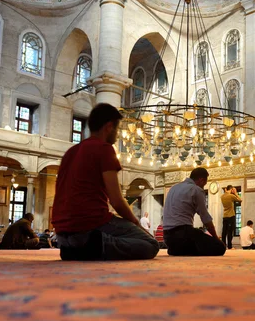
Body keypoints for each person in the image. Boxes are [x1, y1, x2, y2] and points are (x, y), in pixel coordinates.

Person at [52, 103, 159, 261]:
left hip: (62, 235)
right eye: (117, 129)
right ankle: (96, 246)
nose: (117, 135)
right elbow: (116, 201)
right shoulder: (104, 148)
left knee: (137, 238)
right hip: (89, 227)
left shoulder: (70, 152)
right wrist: (136, 223)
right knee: (151, 244)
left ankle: (78, 248)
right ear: (109, 126)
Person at [163, 167, 226, 256]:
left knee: (197, 235)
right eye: (204, 184)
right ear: (201, 179)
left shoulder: (173, 188)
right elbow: (205, 218)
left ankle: (177, 249)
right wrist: (216, 239)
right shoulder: (196, 190)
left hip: (167, 237)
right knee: (220, 247)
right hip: (183, 234)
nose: (203, 186)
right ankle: (183, 249)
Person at [221, 185, 242, 250]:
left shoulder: (222, 196)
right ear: (231, 189)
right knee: (230, 231)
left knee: (224, 231)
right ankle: (230, 246)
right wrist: (235, 193)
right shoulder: (231, 196)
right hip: (231, 215)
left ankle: (223, 246)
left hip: (225, 215)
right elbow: (240, 200)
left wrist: (226, 191)